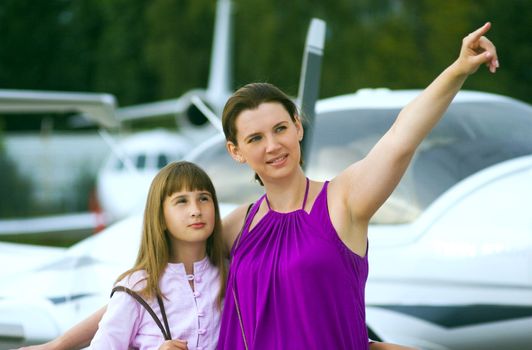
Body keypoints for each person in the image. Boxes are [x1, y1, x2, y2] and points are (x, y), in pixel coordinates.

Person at [20, 22, 497, 350]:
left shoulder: (345, 201)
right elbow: (144, 286)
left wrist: (457, 70)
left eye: (280, 129)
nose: (272, 145)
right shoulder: (234, 227)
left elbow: (400, 138)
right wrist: (63, 343)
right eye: (254, 137)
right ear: (236, 151)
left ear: (299, 126)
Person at [91, 161, 226, 350]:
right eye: (181, 201)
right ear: (160, 217)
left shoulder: (231, 276)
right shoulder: (136, 287)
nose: (196, 211)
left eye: (204, 198)